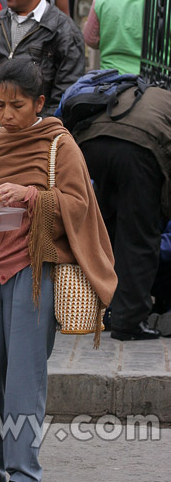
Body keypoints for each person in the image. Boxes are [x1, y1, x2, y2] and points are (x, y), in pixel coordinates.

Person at [0, 58, 116, 482]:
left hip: (32, 274)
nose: (6, 114)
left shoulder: (60, 144)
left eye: (16, 105)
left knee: (24, 377)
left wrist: (33, 196)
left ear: (39, 102)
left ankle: (24, 475)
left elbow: (80, 204)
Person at [74, 79, 170, 341]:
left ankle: (102, 308)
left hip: (91, 145)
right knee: (138, 238)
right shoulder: (164, 105)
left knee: (109, 230)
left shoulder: (140, 92)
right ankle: (128, 323)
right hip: (136, 153)